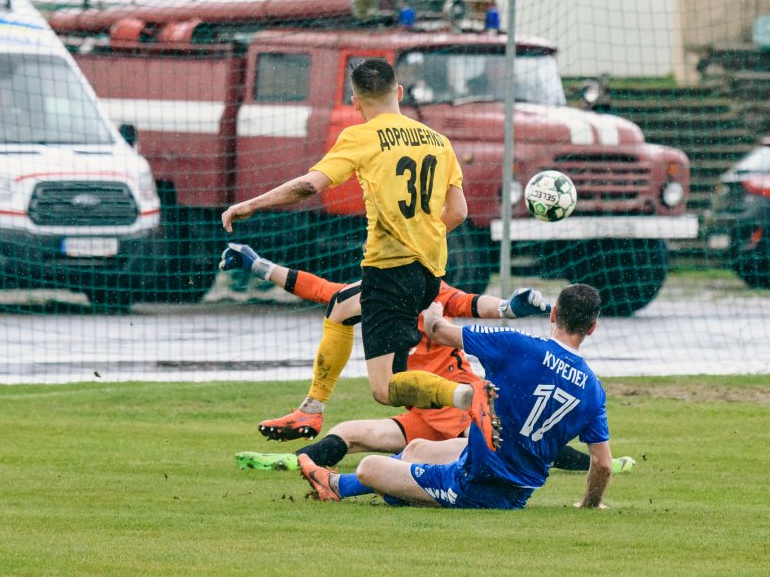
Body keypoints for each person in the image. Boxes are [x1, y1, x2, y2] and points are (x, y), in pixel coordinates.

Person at [221, 58, 501, 450]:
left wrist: (251, 204)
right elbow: (458, 212)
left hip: (390, 269)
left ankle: (466, 395)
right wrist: (421, 236)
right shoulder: (438, 141)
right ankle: (311, 408)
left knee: (384, 390)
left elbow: (309, 186)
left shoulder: (360, 136)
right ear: (398, 92)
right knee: (340, 305)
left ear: (355, 101)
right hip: (427, 272)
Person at [224, 250, 633, 485]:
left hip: (460, 404)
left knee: (507, 443)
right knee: (350, 432)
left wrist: (510, 306)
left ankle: (602, 463)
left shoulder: (435, 292)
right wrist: (257, 265)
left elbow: (473, 304)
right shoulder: (375, 296)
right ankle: (295, 460)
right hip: (422, 411)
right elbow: (319, 289)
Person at [300, 283, 615, 510]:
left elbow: (438, 331)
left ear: (553, 314)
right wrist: (590, 503)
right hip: (513, 486)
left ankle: (336, 486)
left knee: (369, 467)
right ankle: (404, 488)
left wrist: (434, 308)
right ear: (592, 328)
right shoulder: (593, 388)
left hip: (474, 484)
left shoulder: (517, 345)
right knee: (417, 448)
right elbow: (602, 464)